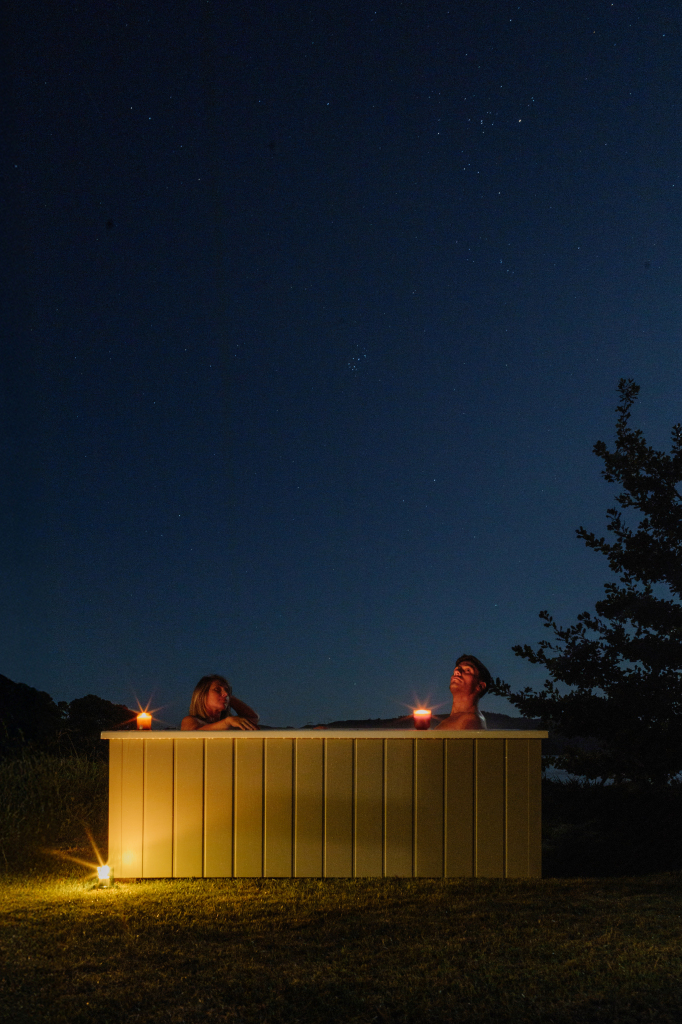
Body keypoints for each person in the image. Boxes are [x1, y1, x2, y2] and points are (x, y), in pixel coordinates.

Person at [180, 674, 259, 731]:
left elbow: (253, 719)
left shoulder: (229, 722)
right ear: (202, 695)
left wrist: (228, 697)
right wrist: (227, 722)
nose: (226, 693)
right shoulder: (190, 720)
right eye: (217, 690)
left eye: (227, 690)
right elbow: (193, 735)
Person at [433, 655, 490, 731]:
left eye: (467, 670)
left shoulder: (470, 720)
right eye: (456, 670)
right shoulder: (455, 719)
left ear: (480, 686)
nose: (457, 672)